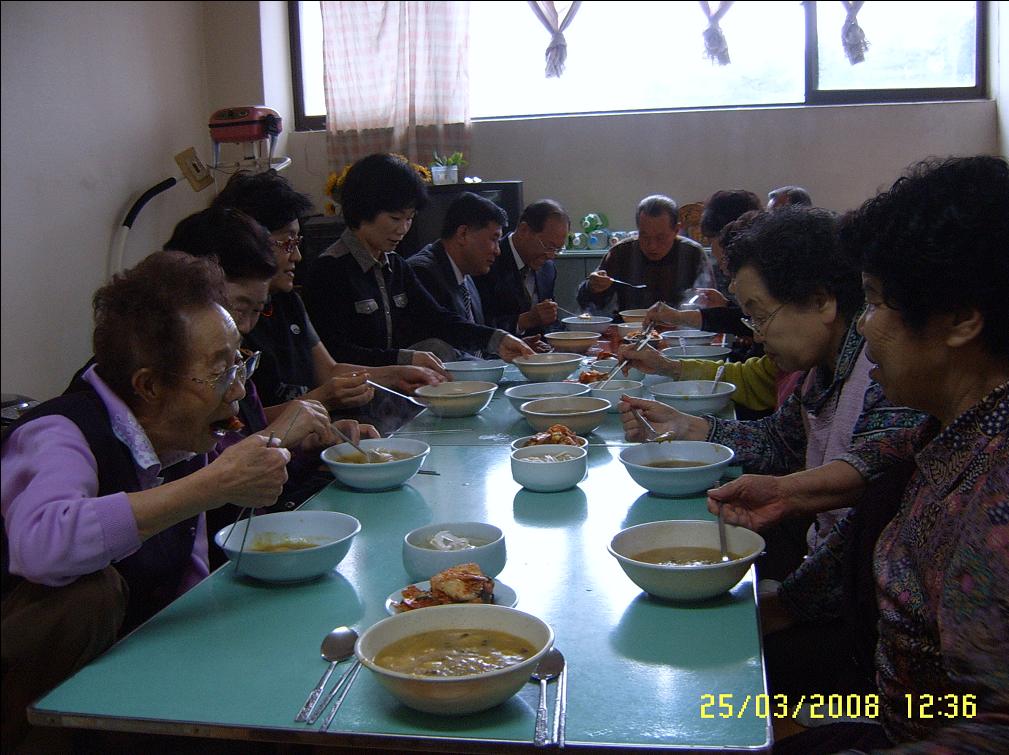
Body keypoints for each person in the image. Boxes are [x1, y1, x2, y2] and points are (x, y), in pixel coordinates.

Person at [759, 156, 1008, 753]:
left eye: (873, 302)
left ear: (960, 321)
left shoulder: (997, 491)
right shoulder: (947, 433)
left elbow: (994, 726)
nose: (863, 328)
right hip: (881, 707)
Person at [1, 252, 291, 747]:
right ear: (150, 385)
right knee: (88, 595)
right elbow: (43, 544)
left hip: (128, 673)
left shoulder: (180, 435)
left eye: (239, 361)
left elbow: (188, 572)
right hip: (28, 696)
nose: (239, 388)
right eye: (219, 371)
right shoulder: (60, 432)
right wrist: (214, 484)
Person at [619, 207, 925, 566]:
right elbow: (781, 442)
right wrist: (688, 425)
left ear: (820, 301)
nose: (757, 333)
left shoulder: (878, 371)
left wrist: (787, 603)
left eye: (761, 315)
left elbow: (870, 484)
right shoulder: (821, 371)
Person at [164, 207, 379, 553]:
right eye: (239, 307)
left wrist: (308, 447)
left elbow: (254, 474)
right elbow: (212, 485)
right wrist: (277, 435)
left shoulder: (237, 366)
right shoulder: (172, 380)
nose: (245, 327)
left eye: (256, 311)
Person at [211, 169, 444, 415]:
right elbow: (240, 425)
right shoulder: (225, 317)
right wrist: (320, 400)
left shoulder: (286, 301)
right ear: (248, 240)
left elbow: (329, 371)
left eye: (298, 242)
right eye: (287, 242)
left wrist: (397, 373)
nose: (298, 257)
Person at [302, 154, 534, 365]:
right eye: (395, 218)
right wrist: (405, 359)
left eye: (409, 218)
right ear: (362, 211)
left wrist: (497, 339)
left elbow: (438, 319)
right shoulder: (330, 270)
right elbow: (334, 354)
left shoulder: (395, 266)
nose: (403, 229)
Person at [576, 195, 708, 315]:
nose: (652, 246)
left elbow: (709, 305)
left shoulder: (692, 253)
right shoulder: (621, 252)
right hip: (629, 332)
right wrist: (593, 288)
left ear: (676, 230)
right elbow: (587, 304)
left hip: (681, 332)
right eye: (644, 236)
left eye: (660, 238)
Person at [407, 192, 505, 345]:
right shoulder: (422, 273)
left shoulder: (467, 274)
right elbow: (446, 343)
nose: (497, 250)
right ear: (463, 233)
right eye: (494, 239)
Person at [474, 199, 567, 337]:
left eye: (558, 250)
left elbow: (549, 325)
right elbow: (477, 327)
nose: (551, 256)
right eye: (549, 247)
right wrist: (525, 321)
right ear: (524, 230)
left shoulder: (547, 269)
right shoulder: (488, 261)